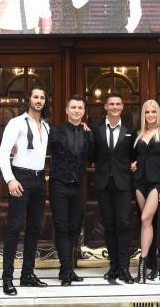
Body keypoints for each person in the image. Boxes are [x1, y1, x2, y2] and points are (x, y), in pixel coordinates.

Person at [0, 87, 50, 296]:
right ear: (29, 99)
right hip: (20, 177)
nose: (38, 100)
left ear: (45, 102)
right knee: (15, 227)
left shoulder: (46, 127)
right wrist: (10, 180)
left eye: (42, 98)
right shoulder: (16, 123)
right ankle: (7, 278)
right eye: (35, 97)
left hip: (39, 179)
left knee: (35, 227)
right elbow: (3, 153)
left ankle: (27, 274)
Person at [91, 93, 137, 283]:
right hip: (103, 183)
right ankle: (114, 266)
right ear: (105, 106)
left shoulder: (130, 129)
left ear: (122, 106)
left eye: (118, 104)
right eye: (111, 104)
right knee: (109, 225)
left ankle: (125, 268)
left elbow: (135, 153)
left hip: (123, 183)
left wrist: (136, 162)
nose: (115, 107)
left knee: (124, 224)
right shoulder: (95, 128)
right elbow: (91, 152)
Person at [48, 94, 93, 286]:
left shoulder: (87, 133)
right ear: (67, 110)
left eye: (80, 108)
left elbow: (92, 156)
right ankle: (67, 269)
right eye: (73, 107)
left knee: (74, 226)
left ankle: (66, 268)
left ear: (83, 111)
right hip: (59, 184)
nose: (76, 111)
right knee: (61, 227)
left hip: (78, 186)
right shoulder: (55, 132)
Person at [131, 100, 160, 283]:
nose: (150, 115)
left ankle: (142, 264)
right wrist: (132, 165)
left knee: (145, 219)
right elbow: (134, 158)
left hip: (156, 182)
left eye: (153, 112)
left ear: (158, 113)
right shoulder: (139, 133)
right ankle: (154, 263)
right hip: (139, 182)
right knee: (148, 222)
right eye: (147, 112)